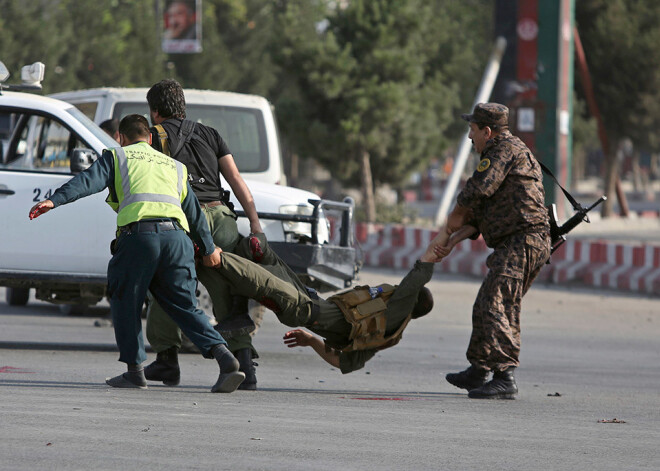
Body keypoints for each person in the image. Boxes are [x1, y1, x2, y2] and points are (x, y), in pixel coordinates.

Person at [28, 114, 245, 393]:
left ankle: (134, 372)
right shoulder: (175, 167)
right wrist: (207, 248)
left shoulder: (117, 157)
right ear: (151, 138)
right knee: (183, 304)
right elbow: (194, 214)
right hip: (177, 240)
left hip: (139, 238)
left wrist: (54, 200)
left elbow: (87, 181)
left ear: (120, 137)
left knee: (126, 298)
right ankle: (225, 358)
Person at [212, 227, 474, 374]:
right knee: (262, 251)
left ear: (411, 302)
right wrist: (312, 340)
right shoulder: (386, 329)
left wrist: (449, 236)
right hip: (309, 300)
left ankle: (211, 255)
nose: (400, 288)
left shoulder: (399, 306)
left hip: (303, 309)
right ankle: (237, 311)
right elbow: (344, 362)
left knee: (259, 278)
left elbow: (422, 267)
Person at [144, 79, 263, 390]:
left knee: (166, 285)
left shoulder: (154, 137)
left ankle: (167, 360)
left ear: (155, 112)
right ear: (183, 106)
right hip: (222, 218)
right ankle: (246, 367)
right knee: (227, 291)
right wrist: (255, 224)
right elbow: (236, 180)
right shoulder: (210, 134)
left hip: (184, 219)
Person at [442, 103, 551, 399]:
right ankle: (479, 370)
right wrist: (458, 235)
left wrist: (453, 219)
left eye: (472, 131)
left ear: (487, 131)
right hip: (518, 240)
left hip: (523, 240)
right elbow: (490, 207)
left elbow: (478, 190)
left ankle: (504, 375)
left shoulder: (501, 151)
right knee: (485, 303)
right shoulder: (512, 150)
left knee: (497, 303)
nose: (469, 138)